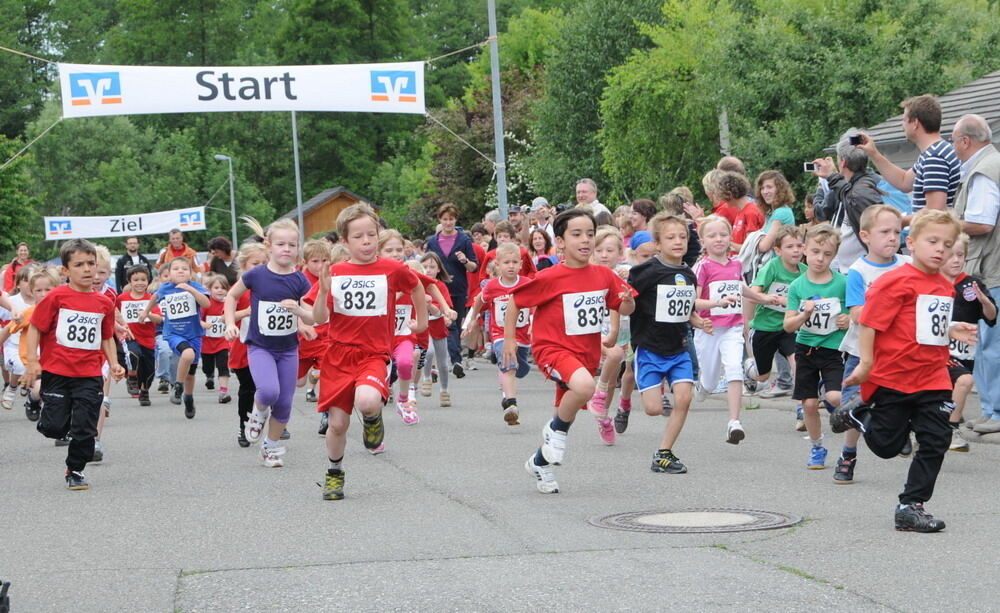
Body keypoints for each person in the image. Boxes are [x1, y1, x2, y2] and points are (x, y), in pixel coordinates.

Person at [840, 209, 977, 532]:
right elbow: (871, 324)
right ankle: (861, 414)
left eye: (947, 243)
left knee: (937, 438)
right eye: (932, 241)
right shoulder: (895, 281)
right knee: (887, 447)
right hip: (892, 377)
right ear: (911, 243)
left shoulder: (945, 287)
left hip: (932, 377)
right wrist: (867, 365)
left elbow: (927, 326)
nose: (941, 249)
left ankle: (911, 505)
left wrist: (952, 328)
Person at [503, 208, 634, 494]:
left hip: (584, 354)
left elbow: (623, 306)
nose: (585, 240)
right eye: (577, 234)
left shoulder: (603, 275)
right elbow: (516, 302)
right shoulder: (552, 276)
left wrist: (627, 302)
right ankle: (555, 432)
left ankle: (540, 463)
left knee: (566, 412)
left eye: (590, 233)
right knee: (584, 389)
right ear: (560, 242)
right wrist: (511, 340)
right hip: (553, 349)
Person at [310, 203, 428, 500]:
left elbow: (416, 287)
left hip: (374, 354)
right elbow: (319, 318)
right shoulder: (336, 272)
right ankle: (335, 472)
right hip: (338, 356)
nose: (366, 241)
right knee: (337, 425)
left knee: (367, 401)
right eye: (358, 236)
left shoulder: (392, 269)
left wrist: (422, 321)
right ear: (345, 241)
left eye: (371, 235)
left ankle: (373, 418)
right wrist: (324, 292)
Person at [24, 239, 125, 490]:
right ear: (66, 271)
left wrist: (114, 363)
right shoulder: (57, 296)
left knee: (85, 426)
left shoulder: (104, 302)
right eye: (79, 265)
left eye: (91, 263)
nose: (87, 269)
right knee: (54, 427)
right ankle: (49, 419)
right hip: (57, 371)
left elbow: (106, 336)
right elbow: (36, 327)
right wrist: (33, 362)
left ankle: (75, 470)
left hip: (89, 373)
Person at [627, 212, 717, 474]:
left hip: (678, 348)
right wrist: (624, 304)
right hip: (650, 348)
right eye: (670, 237)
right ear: (657, 243)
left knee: (684, 399)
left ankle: (664, 452)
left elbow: (685, 308)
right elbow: (627, 300)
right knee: (654, 409)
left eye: (682, 237)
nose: (678, 241)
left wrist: (698, 321)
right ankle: (641, 390)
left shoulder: (688, 274)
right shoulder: (645, 271)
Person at [224, 219, 314, 468]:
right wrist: (231, 322)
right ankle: (258, 413)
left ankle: (271, 446)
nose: (287, 249)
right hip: (260, 346)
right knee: (269, 391)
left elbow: (312, 315)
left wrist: (303, 318)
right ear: (269, 246)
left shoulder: (300, 281)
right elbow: (232, 296)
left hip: (288, 349)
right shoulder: (256, 275)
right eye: (281, 244)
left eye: (292, 245)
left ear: (298, 248)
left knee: (285, 402)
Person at [835, 205, 909, 484]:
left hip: (898, 353)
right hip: (861, 352)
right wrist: (889, 311)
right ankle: (848, 454)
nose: (893, 238)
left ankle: (900, 431)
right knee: (853, 407)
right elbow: (856, 313)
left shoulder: (908, 265)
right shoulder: (858, 271)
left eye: (897, 232)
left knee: (903, 399)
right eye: (885, 232)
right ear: (865, 236)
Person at [948, 114, 1000, 434]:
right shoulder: (994, 163)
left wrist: (946, 223)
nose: (953, 149)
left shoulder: (983, 172)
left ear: (966, 141)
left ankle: (994, 412)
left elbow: (982, 223)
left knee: (988, 344)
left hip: (990, 269)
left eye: (954, 142)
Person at [783, 224, 850, 469]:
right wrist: (803, 315)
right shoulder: (798, 286)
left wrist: (849, 319)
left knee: (835, 396)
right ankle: (817, 447)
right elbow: (789, 325)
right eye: (815, 252)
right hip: (805, 349)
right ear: (804, 251)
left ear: (835, 255)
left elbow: (858, 311)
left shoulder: (842, 283)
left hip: (832, 350)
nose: (820, 259)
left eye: (827, 254)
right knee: (809, 404)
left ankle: (832, 396)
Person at [693, 216, 751, 444]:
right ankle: (703, 387)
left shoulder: (737, 264)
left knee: (734, 368)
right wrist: (716, 304)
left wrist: (764, 299)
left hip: (732, 328)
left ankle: (734, 422)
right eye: (712, 235)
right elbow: (694, 302)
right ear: (703, 241)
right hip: (708, 329)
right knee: (709, 381)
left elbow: (742, 289)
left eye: (723, 235)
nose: (719, 239)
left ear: (730, 238)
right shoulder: (702, 266)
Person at [858, 95, 961, 222]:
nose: (902, 127)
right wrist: (873, 153)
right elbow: (904, 182)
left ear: (915, 123)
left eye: (904, 120)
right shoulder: (935, 151)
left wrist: (899, 222)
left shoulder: (934, 158)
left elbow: (935, 212)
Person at [465, 242, 533, 425]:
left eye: (514, 262)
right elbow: (479, 301)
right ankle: (511, 404)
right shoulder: (492, 286)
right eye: (506, 262)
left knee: (520, 368)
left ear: (521, 264)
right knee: (509, 364)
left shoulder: (527, 284)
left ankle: (509, 380)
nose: (511, 266)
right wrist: (472, 319)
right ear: (498, 264)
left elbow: (536, 304)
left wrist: (534, 322)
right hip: (499, 333)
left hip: (523, 335)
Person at [940, 234, 995, 448]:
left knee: (957, 388)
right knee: (961, 383)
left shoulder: (972, 284)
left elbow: (991, 316)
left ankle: (942, 428)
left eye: (960, 255)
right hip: (940, 350)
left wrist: (984, 302)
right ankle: (949, 430)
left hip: (966, 351)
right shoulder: (931, 283)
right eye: (950, 255)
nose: (956, 260)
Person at [140, 257, 210, 419]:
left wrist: (190, 290)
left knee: (191, 373)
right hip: (173, 333)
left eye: (184, 269)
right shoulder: (166, 288)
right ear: (169, 273)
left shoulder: (195, 286)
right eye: (176, 268)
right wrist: (145, 312)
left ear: (190, 273)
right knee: (188, 354)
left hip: (194, 334)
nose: (180, 271)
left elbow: (206, 304)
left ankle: (189, 398)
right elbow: (154, 298)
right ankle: (178, 386)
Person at [745, 225, 806, 405]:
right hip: (765, 328)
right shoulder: (772, 267)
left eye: (799, 245)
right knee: (762, 376)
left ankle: (801, 409)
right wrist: (769, 299)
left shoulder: (804, 271)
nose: (796, 250)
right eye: (790, 247)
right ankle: (749, 368)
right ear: (778, 250)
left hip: (788, 328)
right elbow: (753, 294)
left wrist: (790, 303)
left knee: (798, 365)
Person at [811, 130, 885, 273]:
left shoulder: (860, 191)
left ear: (843, 162)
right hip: (855, 268)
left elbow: (850, 198)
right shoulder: (866, 182)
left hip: (866, 271)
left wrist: (831, 178)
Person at [425, 203, 479, 377]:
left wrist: (464, 261)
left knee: (453, 323)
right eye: (445, 219)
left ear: (456, 220)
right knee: (435, 322)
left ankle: (456, 361)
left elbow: (474, 267)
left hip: (457, 288)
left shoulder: (464, 240)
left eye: (451, 219)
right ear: (440, 220)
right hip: (436, 288)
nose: (448, 223)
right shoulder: (432, 241)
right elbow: (425, 263)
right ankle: (434, 362)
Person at [227, 242, 268, 447]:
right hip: (244, 348)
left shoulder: (274, 288)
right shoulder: (240, 291)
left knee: (270, 388)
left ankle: (274, 422)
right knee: (248, 388)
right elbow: (226, 315)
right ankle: (244, 424)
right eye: (255, 263)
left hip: (269, 347)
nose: (260, 266)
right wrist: (245, 312)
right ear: (243, 266)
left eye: (264, 262)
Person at [5, 267, 58, 421]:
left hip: (57, 362)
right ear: (31, 291)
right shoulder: (28, 313)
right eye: (38, 290)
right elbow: (8, 331)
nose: (43, 294)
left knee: (62, 396)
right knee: (39, 391)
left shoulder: (63, 312)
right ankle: (32, 401)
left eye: (48, 289)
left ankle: (64, 429)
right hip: (33, 364)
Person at [116, 266, 162, 407]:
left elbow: (159, 319)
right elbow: (115, 312)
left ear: (148, 281)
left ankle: (144, 391)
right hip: (129, 336)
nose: (140, 283)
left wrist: (146, 313)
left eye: (143, 279)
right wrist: (119, 326)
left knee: (148, 370)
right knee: (132, 354)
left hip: (147, 339)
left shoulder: (151, 299)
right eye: (136, 280)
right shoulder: (122, 298)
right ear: (129, 281)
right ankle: (132, 376)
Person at [417, 251, 454, 408]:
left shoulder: (440, 287)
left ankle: (444, 390)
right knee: (429, 351)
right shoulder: (417, 286)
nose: (428, 270)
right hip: (423, 327)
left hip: (438, 326)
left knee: (443, 364)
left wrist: (446, 315)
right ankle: (426, 377)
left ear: (439, 269)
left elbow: (445, 308)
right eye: (424, 266)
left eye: (432, 267)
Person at [200, 275, 232, 403]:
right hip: (206, 342)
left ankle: (223, 391)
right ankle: (209, 375)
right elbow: (198, 319)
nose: (220, 290)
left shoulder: (228, 304)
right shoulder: (206, 303)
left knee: (223, 365)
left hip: (222, 342)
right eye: (216, 287)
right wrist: (203, 324)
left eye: (223, 288)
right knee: (207, 366)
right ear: (209, 290)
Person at [754, 171, 797, 253]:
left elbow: (764, 247)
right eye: (762, 188)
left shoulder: (782, 212)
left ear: (780, 189)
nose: (765, 192)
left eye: (769, 187)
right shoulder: (771, 213)